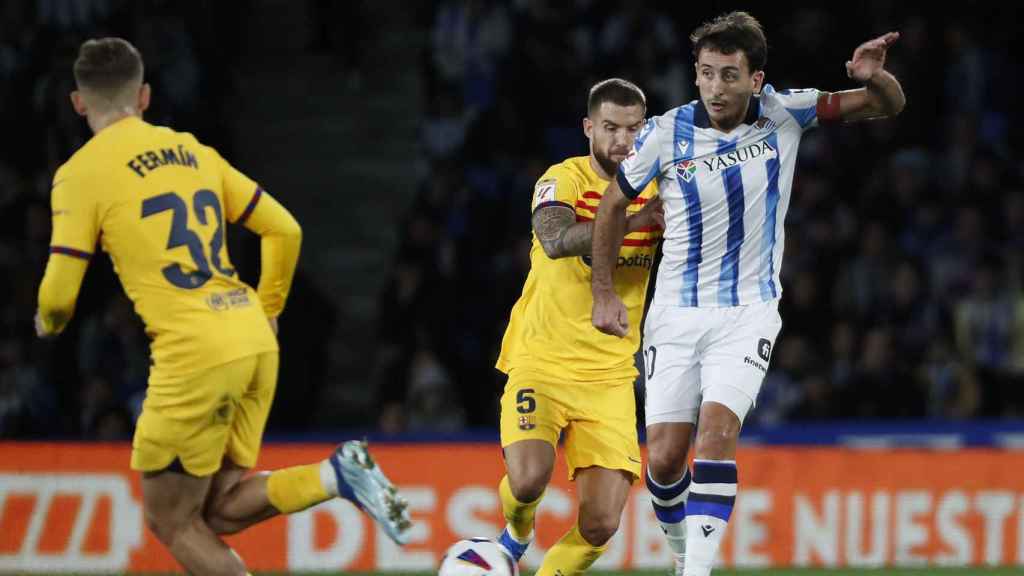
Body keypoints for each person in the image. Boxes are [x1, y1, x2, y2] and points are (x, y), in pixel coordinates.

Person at [34, 38, 411, 576]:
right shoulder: (193, 151)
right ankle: (337, 475)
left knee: (170, 520)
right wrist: (270, 307)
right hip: (251, 336)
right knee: (218, 510)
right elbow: (284, 228)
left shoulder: (80, 172)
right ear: (143, 96)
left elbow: (57, 297)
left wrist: (47, 323)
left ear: (77, 102)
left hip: (193, 354)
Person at [589, 12, 905, 576]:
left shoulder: (785, 112)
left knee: (716, 434)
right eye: (707, 73)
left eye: (729, 75)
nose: (716, 88)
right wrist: (604, 293)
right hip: (675, 314)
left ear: (756, 80)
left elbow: (885, 105)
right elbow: (613, 204)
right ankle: (687, 554)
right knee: (660, 459)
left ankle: (698, 571)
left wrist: (872, 76)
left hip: (747, 312)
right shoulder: (666, 133)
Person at [494, 78, 663, 575]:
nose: (622, 142)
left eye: (634, 130)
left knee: (601, 523)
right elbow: (555, 239)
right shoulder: (562, 178)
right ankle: (517, 531)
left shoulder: (661, 187)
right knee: (527, 482)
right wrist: (638, 221)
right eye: (610, 128)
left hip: (610, 374)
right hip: (541, 360)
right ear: (589, 127)